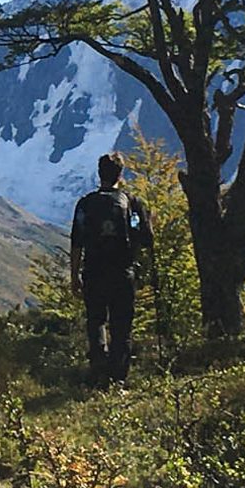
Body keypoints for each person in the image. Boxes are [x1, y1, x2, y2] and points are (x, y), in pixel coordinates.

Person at [70, 151, 152, 383]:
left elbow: (77, 242)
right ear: (120, 174)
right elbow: (147, 239)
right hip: (123, 272)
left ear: (99, 174)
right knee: (121, 325)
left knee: (96, 321)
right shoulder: (132, 203)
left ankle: (98, 370)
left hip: (94, 271)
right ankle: (118, 377)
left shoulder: (86, 204)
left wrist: (74, 276)